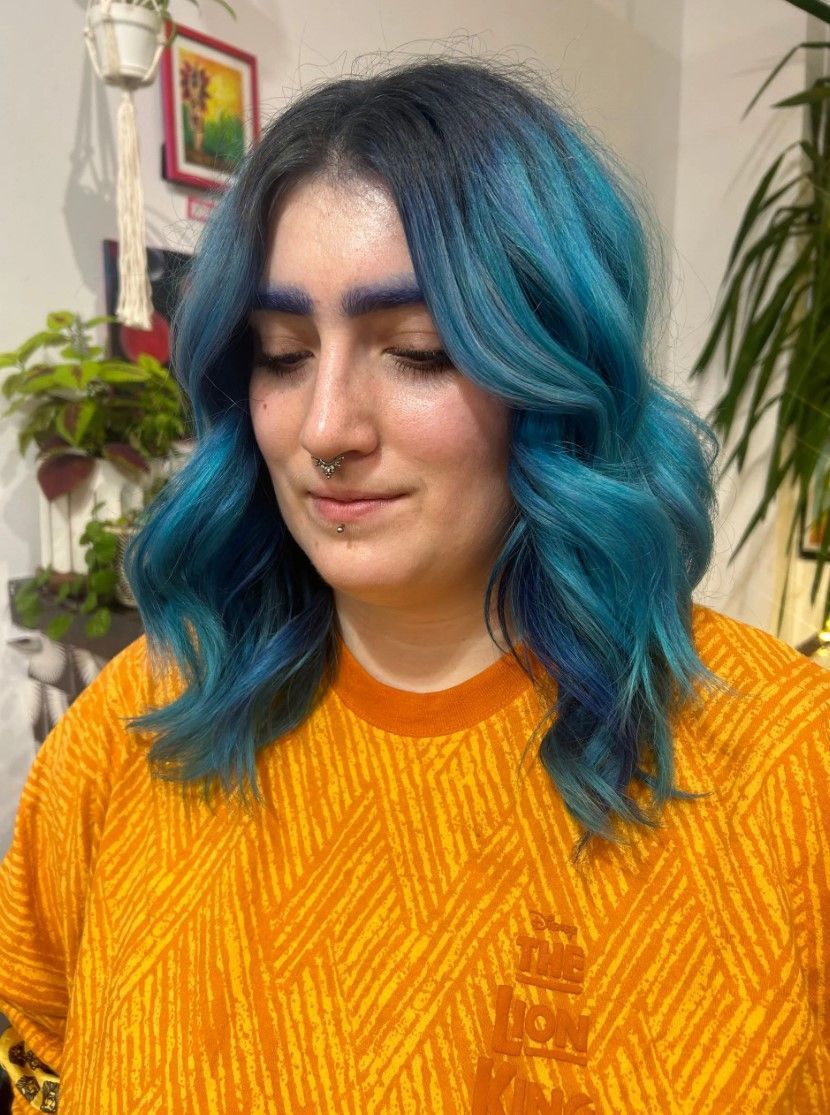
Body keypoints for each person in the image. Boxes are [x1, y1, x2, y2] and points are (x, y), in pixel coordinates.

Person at [1, 53, 828, 1115]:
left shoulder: (785, 767)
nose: (326, 430)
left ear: (558, 371)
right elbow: (33, 1038)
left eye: (420, 351)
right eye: (282, 353)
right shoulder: (141, 722)